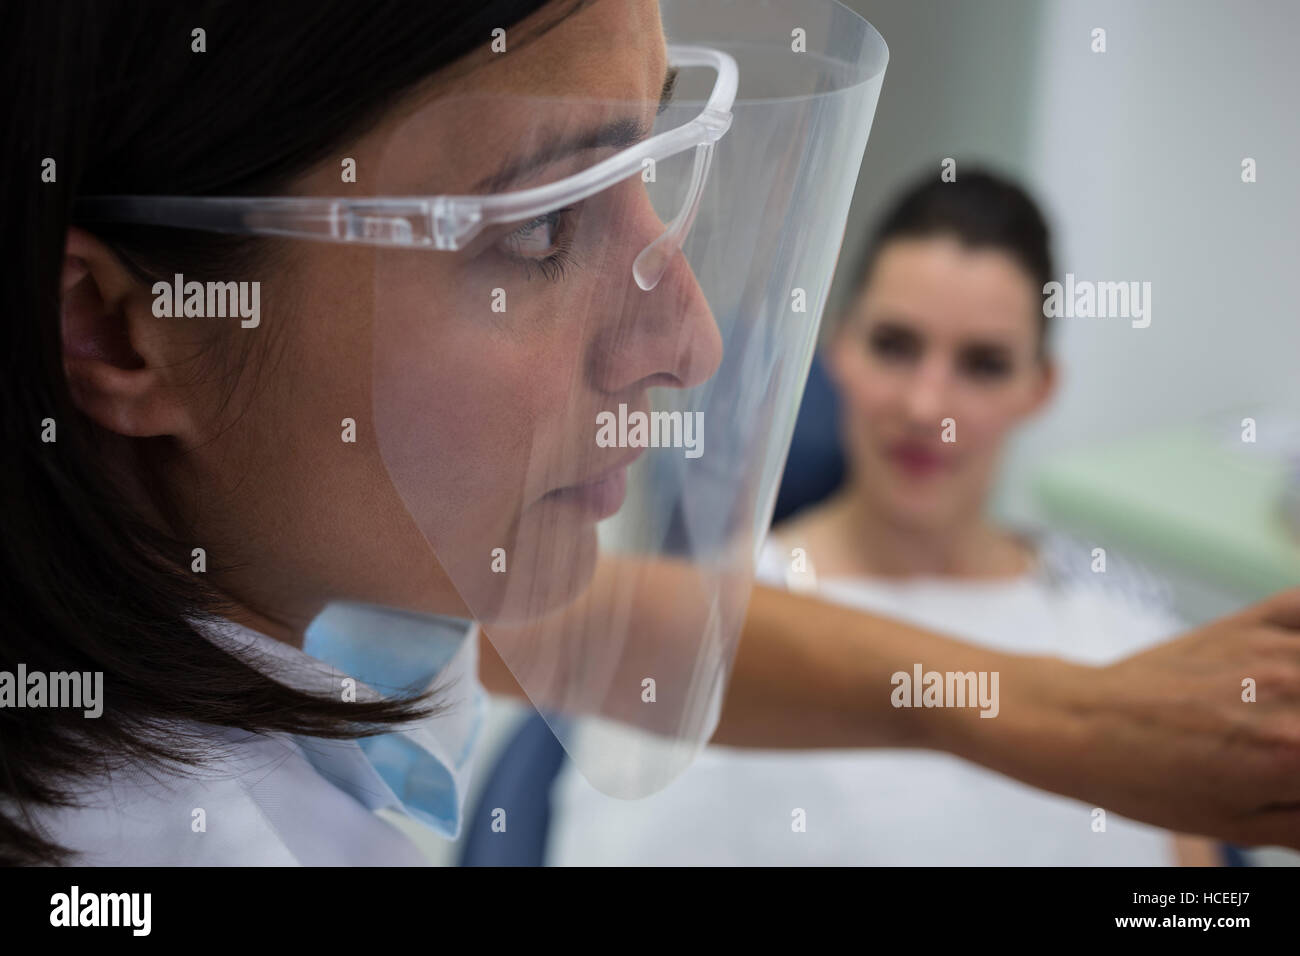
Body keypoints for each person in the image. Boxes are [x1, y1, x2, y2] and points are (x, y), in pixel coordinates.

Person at [3, 0, 1299, 867]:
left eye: (653, 174)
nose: (690, 342)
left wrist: (1056, 711)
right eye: (539, 229)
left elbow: (583, 629)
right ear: (123, 333)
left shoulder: (301, 575)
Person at [546, 170, 1218, 865]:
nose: (926, 408)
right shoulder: (702, 636)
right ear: (839, 348)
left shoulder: (1130, 639)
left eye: (983, 365)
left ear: (1039, 388)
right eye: (896, 346)